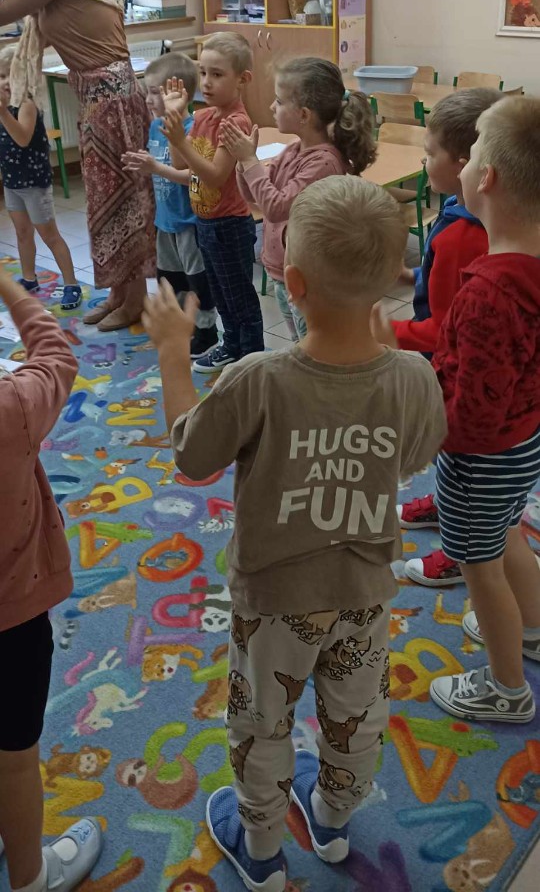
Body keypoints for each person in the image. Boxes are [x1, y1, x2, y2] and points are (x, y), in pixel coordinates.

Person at [142, 175, 447, 892]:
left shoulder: (258, 377)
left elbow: (192, 455)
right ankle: (333, 823)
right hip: (364, 594)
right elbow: (417, 455)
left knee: (262, 722)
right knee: (356, 716)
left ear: (294, 281)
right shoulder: (413, 375)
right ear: (391, 280)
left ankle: (262, 853)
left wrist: (173, 356)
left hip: (273, 602)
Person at [426, 97, 540, 724]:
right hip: (525, 441)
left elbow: (469, 420)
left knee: (481, 566)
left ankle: (506, 689)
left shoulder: (488, 293)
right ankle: (533, 628)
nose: (464, 168)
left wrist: (421, 428)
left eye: (470, 158)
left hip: (482, 460)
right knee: (507, 533)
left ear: (486, 178)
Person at [0, 0, 155, 332]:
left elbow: (8, 9)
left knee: (122, 198)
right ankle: (120, 293)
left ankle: (136, 301)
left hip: (109, 99)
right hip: (103, 97)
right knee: (108, 198)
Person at [372, 89, 501, 588]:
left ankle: (458, 550)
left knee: (462, 458)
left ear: (466, 165)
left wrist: (388, 332)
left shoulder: (464, 235)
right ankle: (444, 505)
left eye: (429, 155)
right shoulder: (463, 210)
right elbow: (447, 284)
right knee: (452, 456)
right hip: (464, 368)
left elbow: (448, 330)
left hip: (461, 374)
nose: (423, 163)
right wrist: (412, 277)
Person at [0, 268, 102, 891]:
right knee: (15, 760)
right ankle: (31, 876)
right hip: (12, 619)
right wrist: (13, 291)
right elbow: (56, 355)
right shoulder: (12, 406)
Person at [224, 57, 377, 340]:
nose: (272, 107)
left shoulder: (323, 163)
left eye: (279, 101)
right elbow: (256, 197)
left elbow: (276, 207)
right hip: (283, 273)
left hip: (308, 280)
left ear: (304, 115)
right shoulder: (293, 150)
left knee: (314, 346)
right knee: (299, 344)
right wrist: (244, 163)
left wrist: (249, 161)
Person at [162, 31, 264, 372]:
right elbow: (180, 163)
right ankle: (232, 345)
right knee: (221, 294)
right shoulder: (204, 116)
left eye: (217, 74)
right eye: (203, 72)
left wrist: (181, 139)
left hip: (229, 225)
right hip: (205, 221)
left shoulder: (236, 122)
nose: (206, 82)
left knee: (239, 297)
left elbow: (216, 176)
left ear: (242, 79)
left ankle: (251, 359)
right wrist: (176, 121)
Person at [121, 53, 218, 358]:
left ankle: (207, 333)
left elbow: (192, 176)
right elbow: (157, 167)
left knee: (198, 281)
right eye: (147, 92)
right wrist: (145, 166)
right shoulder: (155, 127)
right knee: (171, 279)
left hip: (189, 222)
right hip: (165, 222)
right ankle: (181, 328)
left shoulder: (191, 129)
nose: (148, 100)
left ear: (179, 94)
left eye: (154, 93)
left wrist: (157, 168)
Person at [0, 45, 82, 309]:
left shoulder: (27, 105)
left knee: (50, 235)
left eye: (11, 76)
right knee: (22, 233)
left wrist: (2, 113)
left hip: (34, 183)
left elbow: (22, 139)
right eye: (1, 76)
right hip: (12, 182)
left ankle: (71, 284)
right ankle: (29, 279)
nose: (5, 82)